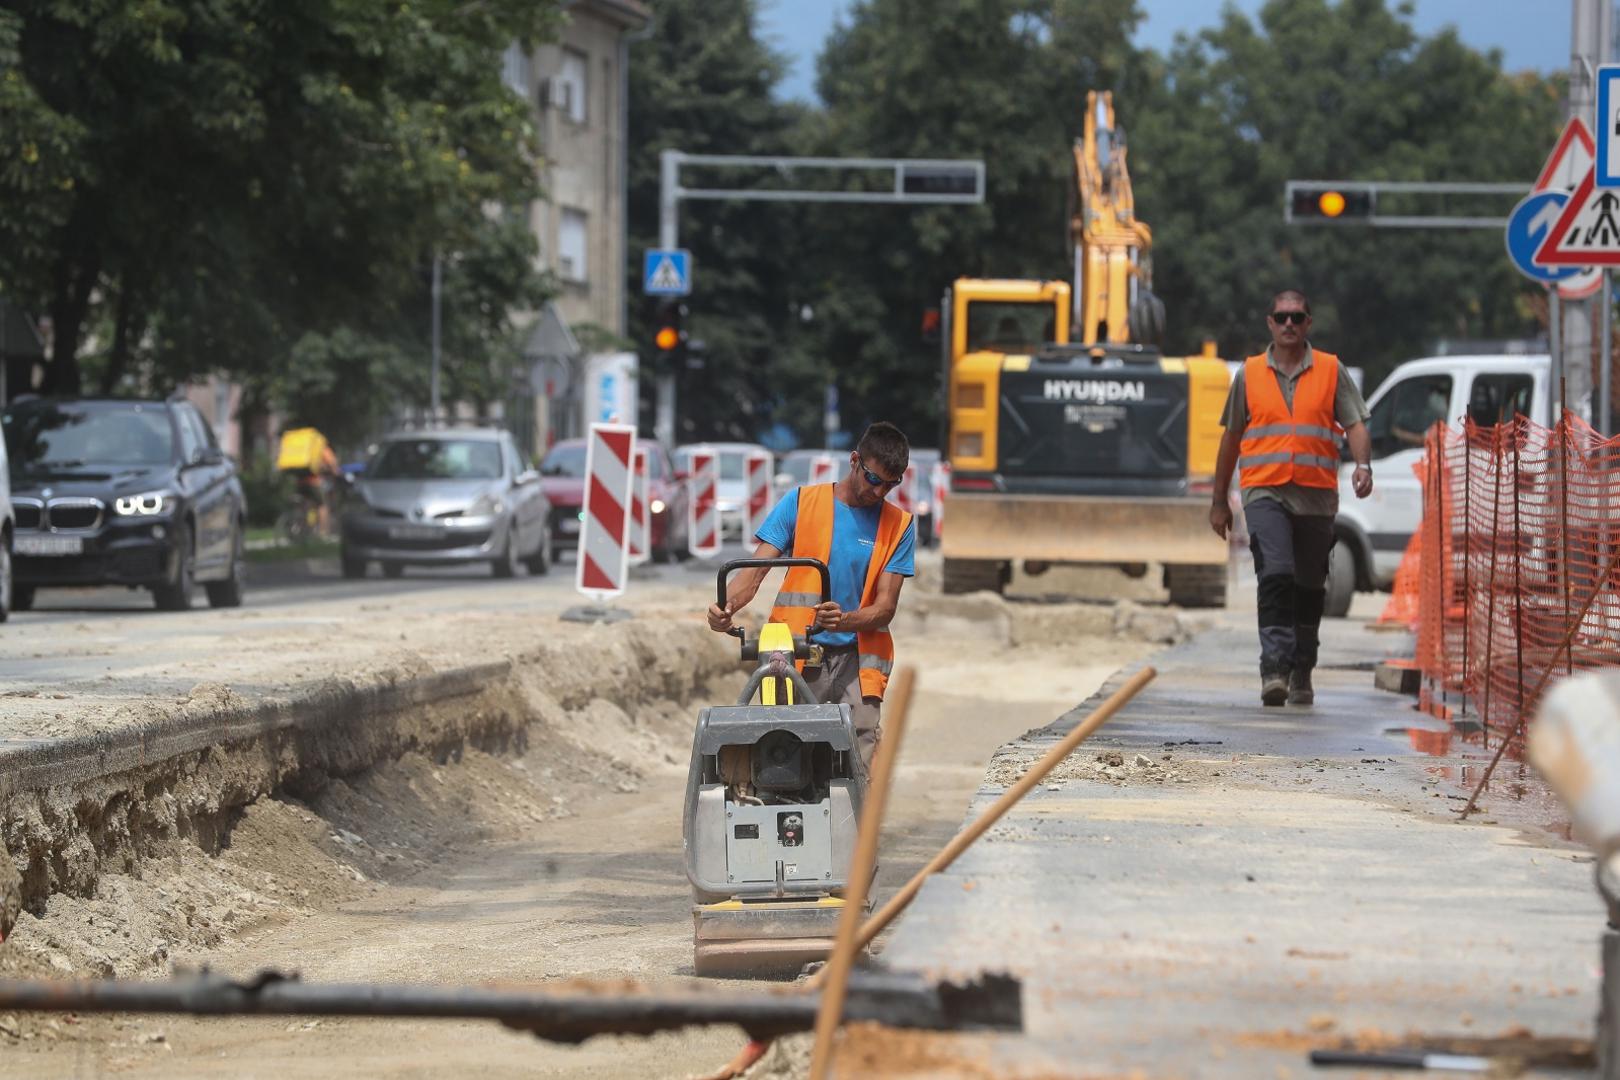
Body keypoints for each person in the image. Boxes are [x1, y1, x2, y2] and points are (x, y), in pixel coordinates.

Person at [707, 422, 917, 768]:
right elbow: (754, 572)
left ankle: (858, 822)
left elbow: (885, 608)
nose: (879, 493)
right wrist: (725, 608)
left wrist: (845, 620)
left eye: (891, 485)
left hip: (858, 660)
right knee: (787, 752)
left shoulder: (899, 526)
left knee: (860, 754)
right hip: (797, 655)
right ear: (854, 460)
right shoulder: (802, 503)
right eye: (873, 479)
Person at [1208, 289, 1374, 707]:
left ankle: (1303, 668)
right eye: (1281, 317)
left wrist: (1363, 464)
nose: (1288, 325)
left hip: (1316, 495)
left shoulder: (1332, 370)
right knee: (1276, 574)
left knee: (1309, 586)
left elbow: (1354, 422)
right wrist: (1217, 500)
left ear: (1307, 324)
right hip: (1265, 489)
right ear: (1269, 323)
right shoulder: (1249, 374)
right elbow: (1230, 439)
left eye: (1296, 318)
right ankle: (1275, 669)